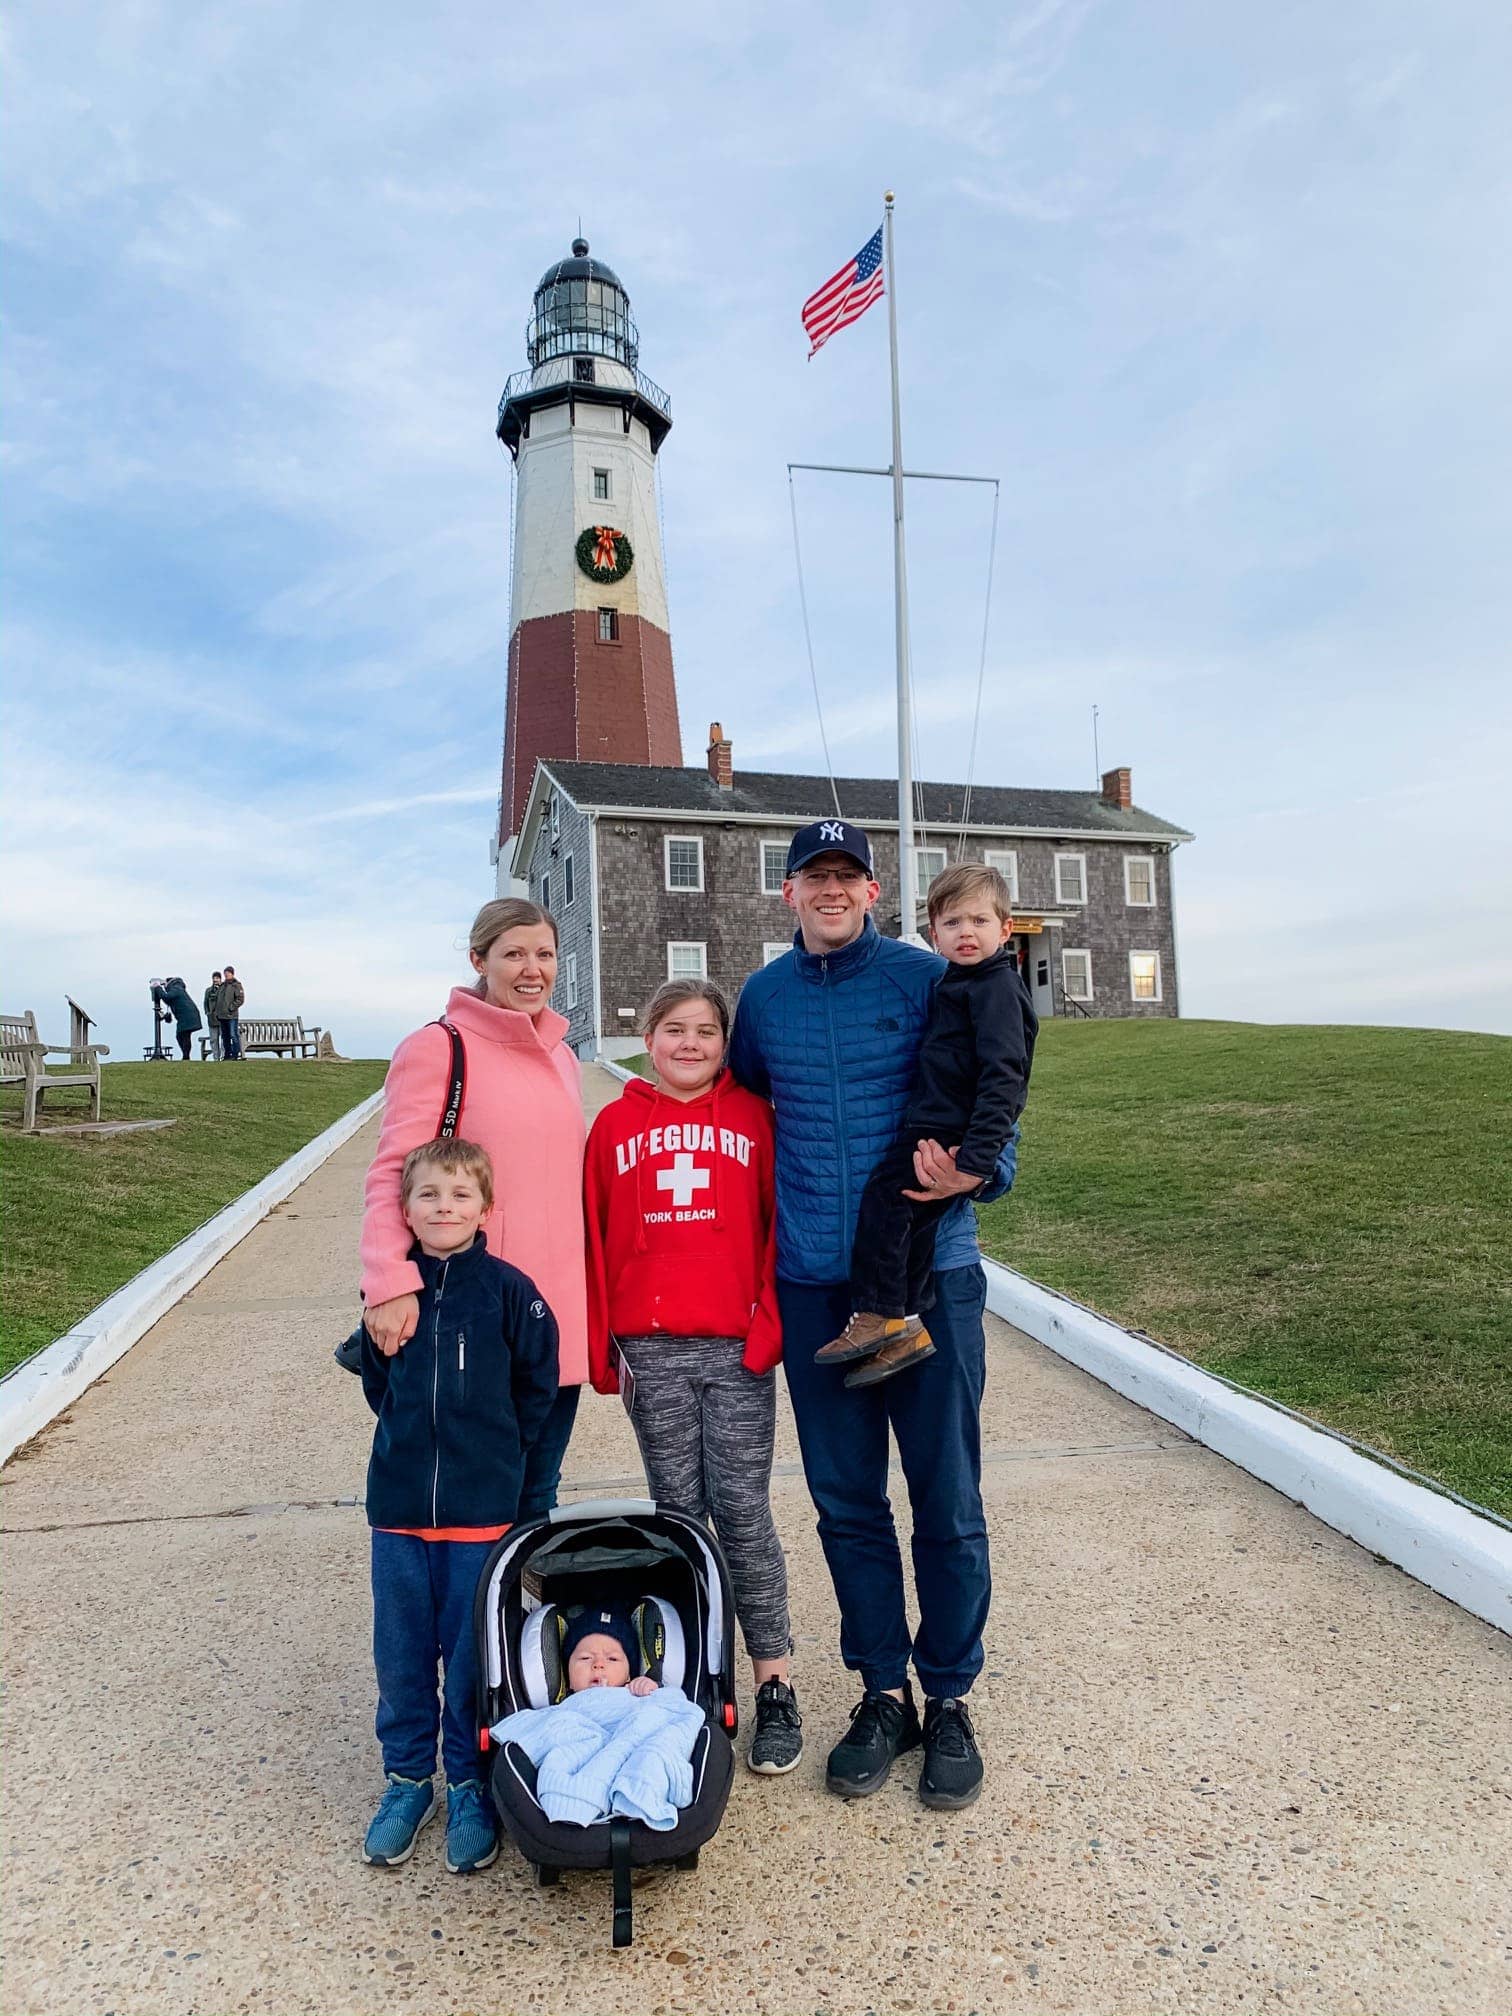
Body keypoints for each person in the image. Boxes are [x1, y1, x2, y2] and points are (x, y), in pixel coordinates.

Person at [729, 818, 1017, 1813]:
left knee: (945, 1500)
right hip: (823, 1287)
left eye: (848, 876)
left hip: (932, 1276)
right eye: (816, 876)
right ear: (789, 892)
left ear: (874, 887)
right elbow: (752, 1114)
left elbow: (991, 1088)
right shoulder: (761, 1003)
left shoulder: (925, 979)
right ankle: (881, 1692)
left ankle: (950, 1698)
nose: (832, 891)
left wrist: (979, 1172)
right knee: (849, 1502)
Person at [584, 980, 802, 1776]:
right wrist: (605, 1346)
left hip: (735, 1347)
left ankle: (772, 1680)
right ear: (646, 1036)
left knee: (743, 1509)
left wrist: (767, 1328)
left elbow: (781, 1223)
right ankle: (692, 1677)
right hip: (652, 1346)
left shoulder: (753, 1117)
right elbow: (595, 1233)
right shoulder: (613, 1125)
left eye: (706, 1031)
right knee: (679, 1514)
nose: (689, 1044)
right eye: (673, 1029)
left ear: (724, 1040)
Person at [355, 1136, 559, 1874]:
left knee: (472, 1656)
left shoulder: (510, 1291)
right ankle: (408, 1780)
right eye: (429, 1196)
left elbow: (538, 1387)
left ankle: (470, 1782)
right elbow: (380, 1386)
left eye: (460, 1196)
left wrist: (501, 1453)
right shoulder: (388, 1296)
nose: (444, 1207)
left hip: (481, 1513)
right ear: (405, 1211)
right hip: (400, 1510)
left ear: (486, 1208)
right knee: (403, 1655)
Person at [361, 899, 588, 1517]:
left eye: (545, 954)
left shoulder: (564, 1056)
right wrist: (388, 1281)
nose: (532, 969)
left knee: (538, 1492)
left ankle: (517, 1617)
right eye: (514, 954)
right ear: (478, 960)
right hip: (476, 1309)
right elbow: (392, 1172)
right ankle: (472, 1615)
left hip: (555, 1313)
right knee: (474, 1501)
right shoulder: (437, 1048)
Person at [818, 862, 1037, 1385]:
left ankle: (876, 1314)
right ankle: (910, 1327)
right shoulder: (959, 984)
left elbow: (1004, 1080)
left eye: (980, 922)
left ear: (1006, 930)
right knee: (914, 1227)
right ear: (933, 931)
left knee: (884, 1205)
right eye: (953, 923)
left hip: (947, 1136)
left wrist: (976, 1162)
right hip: (939, 1125)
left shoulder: (997, 990)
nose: (967, 933)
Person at [563, 1608, 660, 1696]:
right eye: (585, 1658)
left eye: (612, 1659)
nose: (598, 1664)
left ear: (628, 1675)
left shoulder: (637, 1697)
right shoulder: (558, 1708)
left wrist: (651, 1689)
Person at [155, 976, 202, 1061]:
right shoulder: (177, 989)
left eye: (164, 984)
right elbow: (169, 1000)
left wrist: (158, 987)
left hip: (188, 1016)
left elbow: (166, 997)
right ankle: (186, 1056)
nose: (164, 987)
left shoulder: (176, 988)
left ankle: (186, 1056)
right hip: (188, 1016)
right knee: (181, 1035)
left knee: (184, 1035)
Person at [218, 965, 245, 1061]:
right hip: (222, 1016)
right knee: (225, 1037)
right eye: (225, 973)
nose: (226, 975)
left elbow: (240, 999)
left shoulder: (236, 985)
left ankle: (235, 1054)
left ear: (232, 974)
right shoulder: (222, 986)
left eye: (228, 973)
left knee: (233, 1035)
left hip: (232, 1015)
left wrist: (231, 1007)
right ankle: (227, 1054)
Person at [203, 972, 223, 1061]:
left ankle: (223, 1056)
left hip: (223, 1018)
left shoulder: (224, 989)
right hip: (212, 1018)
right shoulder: (208, 991)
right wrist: (207, 1012)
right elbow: (205, 1003)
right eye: (214, 978)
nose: (215, 980)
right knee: (213, 1039)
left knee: (224, 1039)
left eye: (217, 978)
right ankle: (216, 1057)